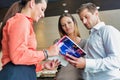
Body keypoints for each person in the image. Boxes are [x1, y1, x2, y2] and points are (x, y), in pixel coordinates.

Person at [0, 0, 60, 80]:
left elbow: (22, 60)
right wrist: (47, 53)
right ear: (32, 3)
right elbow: (17, 56)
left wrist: (42, 66)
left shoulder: (24, 22)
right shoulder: (21, 20)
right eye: (42, 9)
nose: (43, 15)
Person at [66, 2, 120, 80]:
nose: (84, 22)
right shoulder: (91, 36)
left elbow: (116, 60)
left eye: (86, 17)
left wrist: (86, 63)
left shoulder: (108, 30)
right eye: (81, 19)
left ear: (96, 14)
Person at [54, 13, 86, 80]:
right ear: (61, 28)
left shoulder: (84, 43)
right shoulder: (57, 42)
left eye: (69, 22)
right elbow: (57, 64)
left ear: (74, 23)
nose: (67, 27)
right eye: (63, 25)